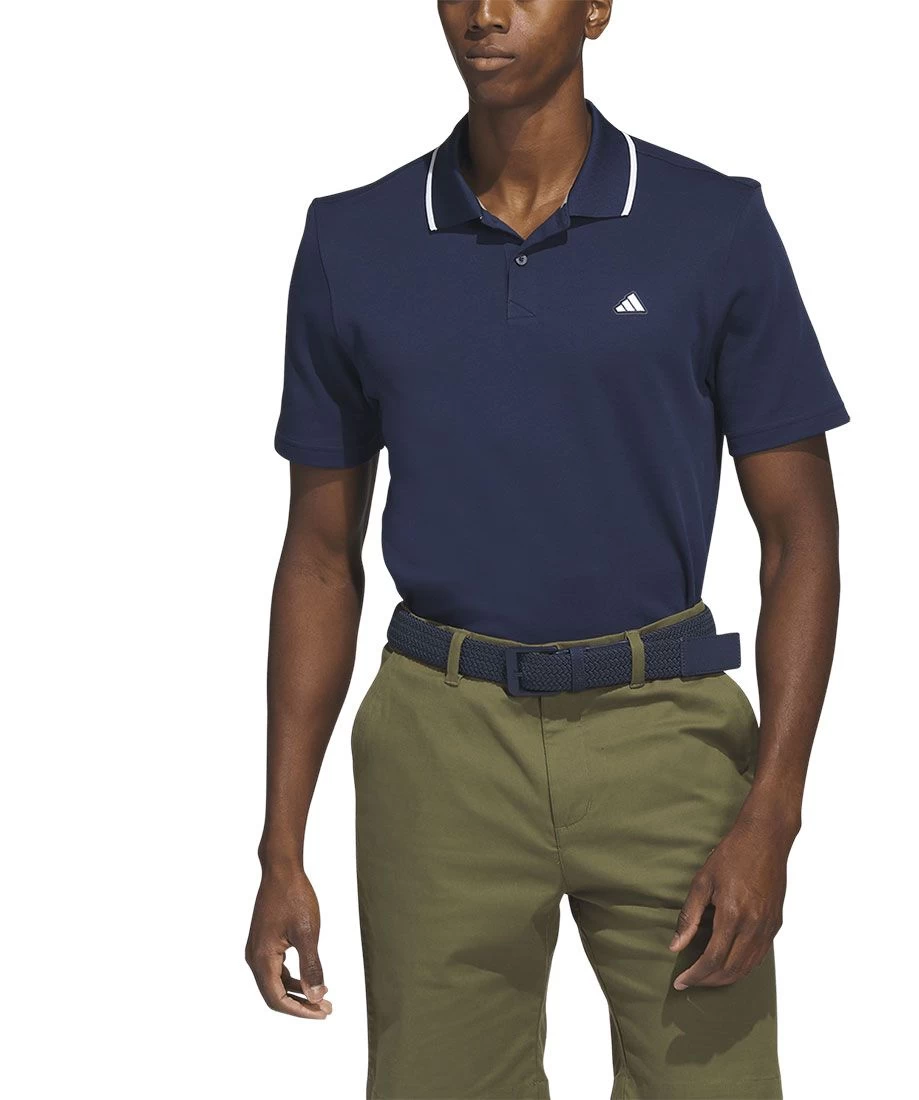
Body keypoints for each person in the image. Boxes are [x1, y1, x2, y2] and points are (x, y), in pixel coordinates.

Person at [246, 2, 849, 1096]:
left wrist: (773, 812)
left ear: (596, 8)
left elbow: (800, 537)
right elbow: (320, 557)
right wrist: (280, 845)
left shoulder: (711, 225)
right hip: (440, 747)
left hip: (666, 734)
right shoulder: (352, 240)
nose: (486, 13)